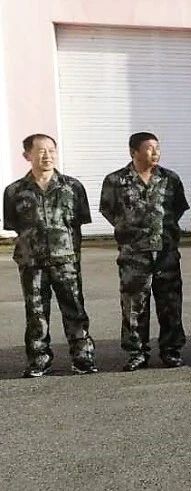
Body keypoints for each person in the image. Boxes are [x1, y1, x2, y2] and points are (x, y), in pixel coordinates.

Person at [3, 134, 96, 377]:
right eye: (41, 151)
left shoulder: (72, 187)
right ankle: (39, 360)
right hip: (31, 262)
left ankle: (82, 358)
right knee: (36, 312)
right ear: (27, 155)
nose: (48, 156)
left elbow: (78, 221)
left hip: (66, 260)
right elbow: (14, 224)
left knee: (74, 309)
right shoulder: (14, 191)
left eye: (52, 150)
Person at [100, 132, 189, 370]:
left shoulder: (170, 179)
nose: (155, 152)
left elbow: (178, 209)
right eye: (149, 148)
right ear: (134, 152)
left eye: (157, 148)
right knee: (133, 306)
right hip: (133, 255)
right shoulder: (115, 180)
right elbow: (109, 211)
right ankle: (137, 353)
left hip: (165, 254)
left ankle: (171, 351)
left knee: (170, 304)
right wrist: (132, 232)